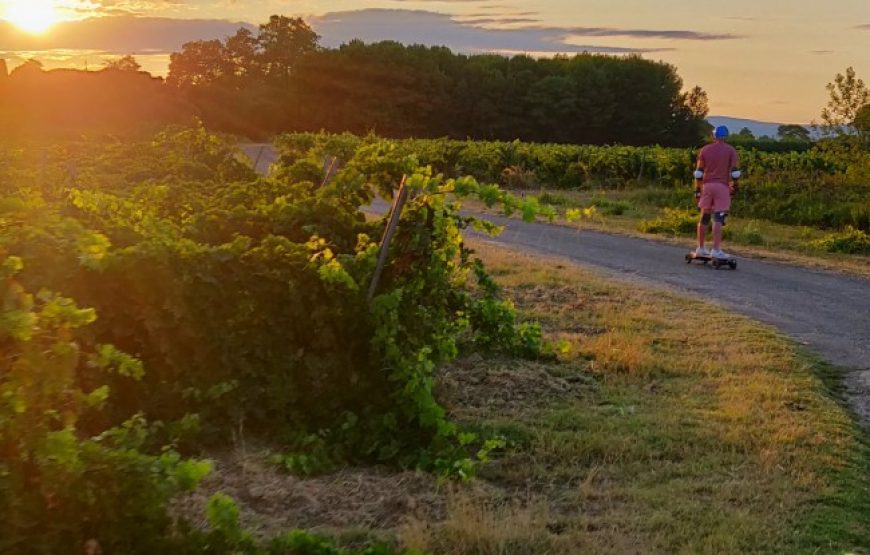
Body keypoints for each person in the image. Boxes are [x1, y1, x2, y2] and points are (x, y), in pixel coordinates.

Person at [693, 125, 740, 258]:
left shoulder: (705, 150)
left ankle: (701, 248)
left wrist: (697, 189)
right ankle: (716, 249)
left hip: (707, 186)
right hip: (722, 186)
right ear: (726, 136)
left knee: (704, 217)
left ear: (714, 136)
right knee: (718, 218)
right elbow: (735, 172)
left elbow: (698, 172)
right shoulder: (730, 150)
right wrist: (736, 185)